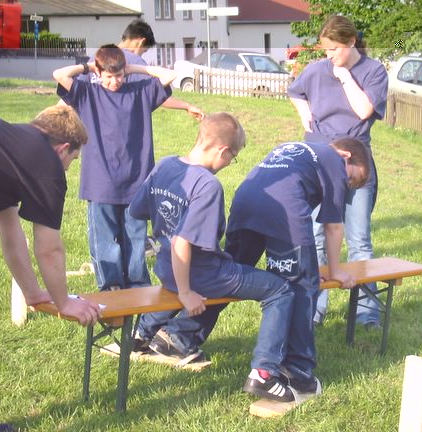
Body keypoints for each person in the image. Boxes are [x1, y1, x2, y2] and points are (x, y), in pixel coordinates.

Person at [128, 112, 299, 402]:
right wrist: (186, 293)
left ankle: (143, 334)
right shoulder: (207, 185)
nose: (230, 163)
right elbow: (182, 241)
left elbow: (137, 210)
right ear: (222, 150)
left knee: (231, 268)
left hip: (166, 268)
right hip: (202, 275)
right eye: (234, 157)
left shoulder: (165, 165)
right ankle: (264, 373)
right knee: (280, 290)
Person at [0, 106, 101, 432]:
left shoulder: (5, 144)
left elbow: (11, 234)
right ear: (63, 148)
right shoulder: (45, 162)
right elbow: (49, 249)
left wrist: (33, 293)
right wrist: (64, 302)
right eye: (73, 160)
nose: (68, 167)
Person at [224, 138, 371, 393]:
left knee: (228, 276)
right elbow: (333, 227)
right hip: (284, 214)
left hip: (245, 202)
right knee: (303, 287)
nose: (346, 184)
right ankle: (297, 371)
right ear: (346, 156)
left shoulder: (302, 149)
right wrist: (334, 271)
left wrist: (311, 268)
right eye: (351, 179)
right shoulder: (336, 162)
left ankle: (178, 335)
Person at [287, 15, 389, 328]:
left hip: (356, 164)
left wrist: (345, 76)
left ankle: (366, 312)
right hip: (319, 161)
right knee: (317, 238)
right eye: (326, 50)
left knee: (360, 241)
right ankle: (315, 310)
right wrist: (304, 114)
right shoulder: (316, 69)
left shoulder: (373, 71)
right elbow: (295, 91)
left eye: (334, 49)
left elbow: (364, 110)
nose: (329, 56)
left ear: (351, 42)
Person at [53, 44, 177, 292]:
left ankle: (137, 286)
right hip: (100, 182)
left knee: (136, 237)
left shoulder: (140, 92)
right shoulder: (87, 93)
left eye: (119, 75)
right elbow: (60, 74)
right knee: (105, 240)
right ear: (99, 73)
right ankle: (111, 287)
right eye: (109, 76)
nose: (115, 82)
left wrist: (133, 69)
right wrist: (89, 67)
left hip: (137, 180)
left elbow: (169, 76)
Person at [74, 19, 204, 121]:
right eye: (144, 51)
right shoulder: (133, 60)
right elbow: (154, 93)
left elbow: (77, 92)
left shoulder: (99, 56)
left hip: (93, 125)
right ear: (141, 42)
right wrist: (186, 106)